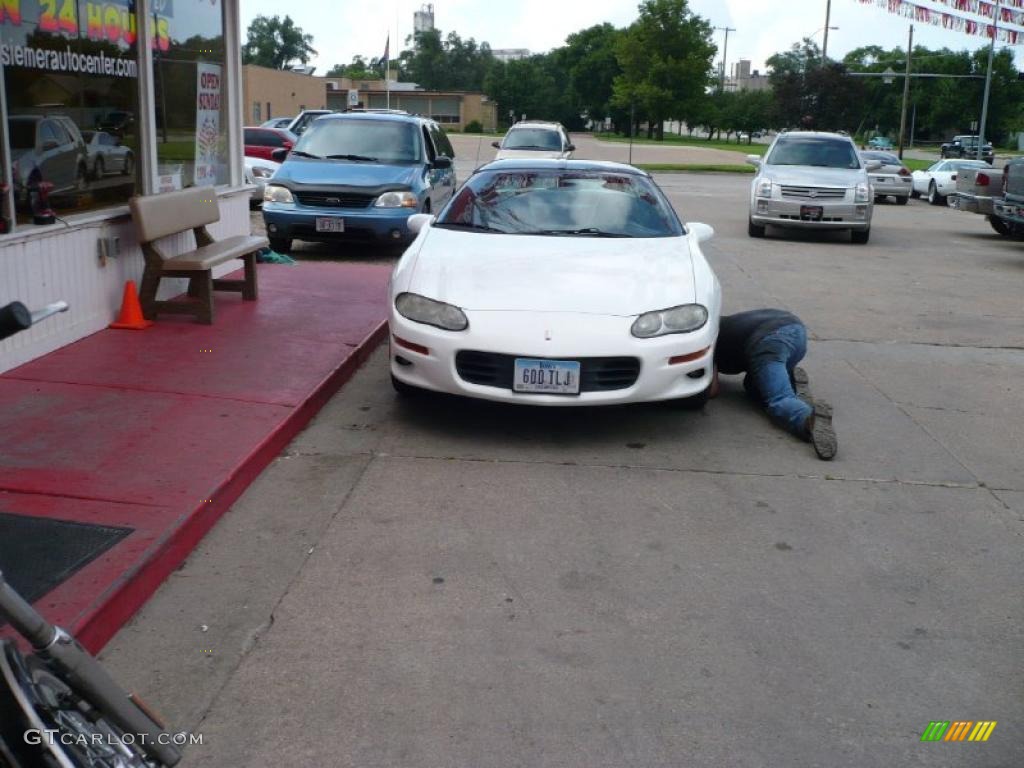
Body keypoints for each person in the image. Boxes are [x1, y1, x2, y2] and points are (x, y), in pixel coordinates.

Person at [710, 309, 837, 460]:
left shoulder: (704, 340)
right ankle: (791, 382)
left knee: (778, 398)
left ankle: (807, 420)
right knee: (752, 387)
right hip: (796, 332)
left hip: (769, 342)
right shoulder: (718, 323)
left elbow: (712, 389)